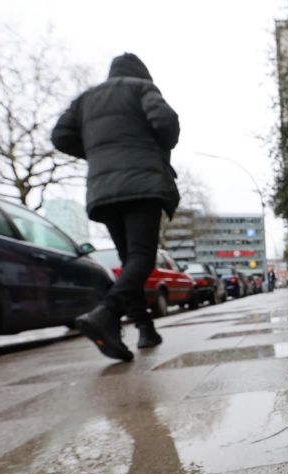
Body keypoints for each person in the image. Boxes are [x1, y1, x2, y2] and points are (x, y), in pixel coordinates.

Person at [52, 53, 180, 362]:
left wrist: (99, 154)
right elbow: (166, 122)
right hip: (141, 185)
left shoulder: (86, 99)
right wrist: (154, 147)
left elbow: (60, 136)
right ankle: (106, 314)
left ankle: (146, 330)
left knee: (129, 260)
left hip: (102, 191)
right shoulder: (140, 88)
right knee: (141, 258)